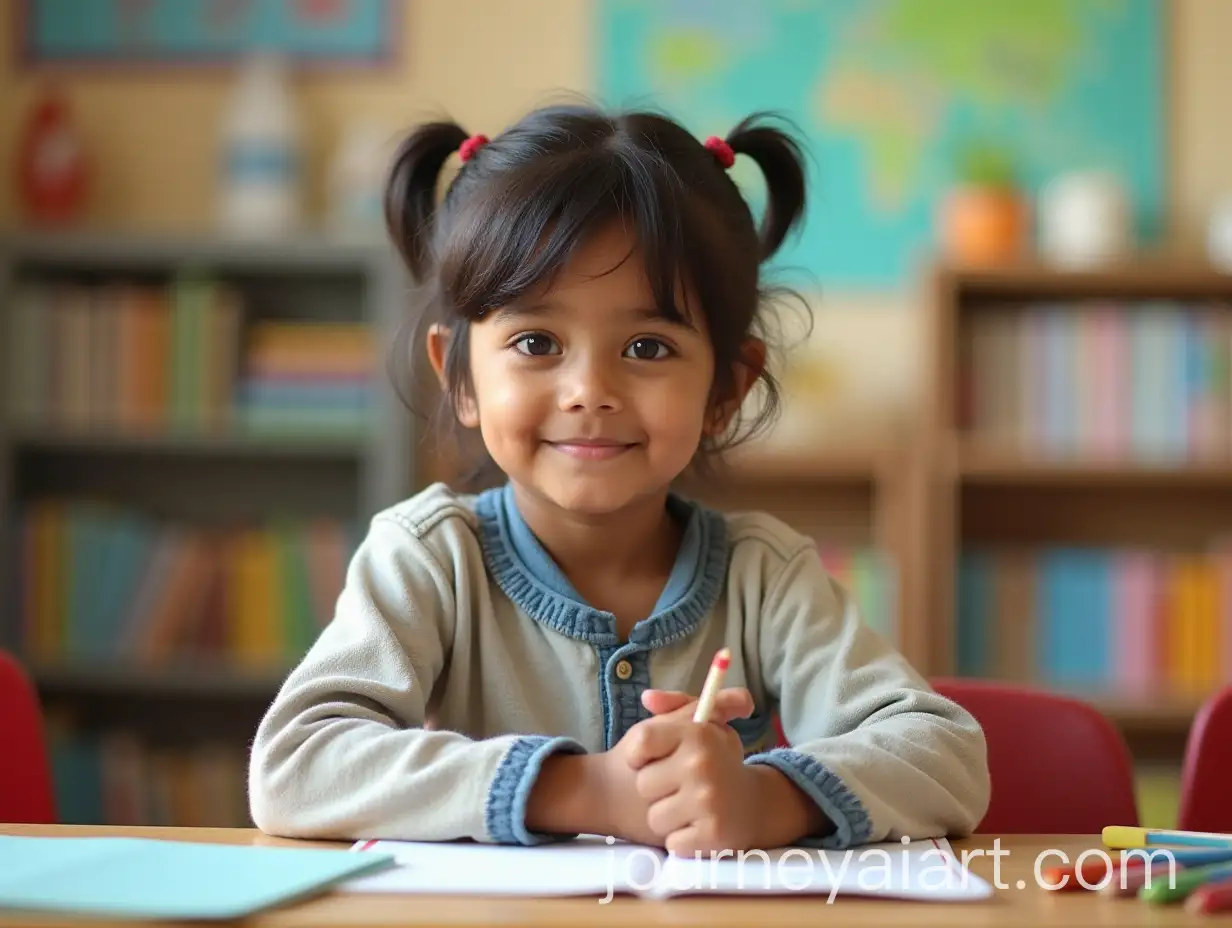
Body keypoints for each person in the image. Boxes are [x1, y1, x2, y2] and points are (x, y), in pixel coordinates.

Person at [248, 102, 990, 855]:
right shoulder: (429, 559)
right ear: (461, 379)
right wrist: (586, 789)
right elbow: (294, 766)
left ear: (726, 389)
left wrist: (767, 800)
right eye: (537, 341)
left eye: (647, 346)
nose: (588, 390)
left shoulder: (767, 577)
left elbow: (947, 756)